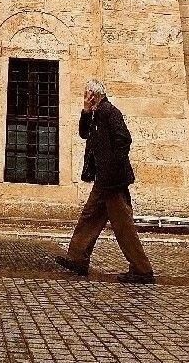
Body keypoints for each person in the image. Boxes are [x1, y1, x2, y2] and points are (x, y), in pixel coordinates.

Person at [55, 79, 155, 283]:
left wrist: (112, 168)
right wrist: (85, 110)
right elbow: (83, 134)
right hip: (103, 178)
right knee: (89, 216)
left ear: (95, 94)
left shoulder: (110, 112)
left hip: (113, 180)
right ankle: (78, 259)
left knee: (123, 225)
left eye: (87, 94)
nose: (85, 97)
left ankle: (142, 270)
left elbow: (124, 140)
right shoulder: (94, 114)